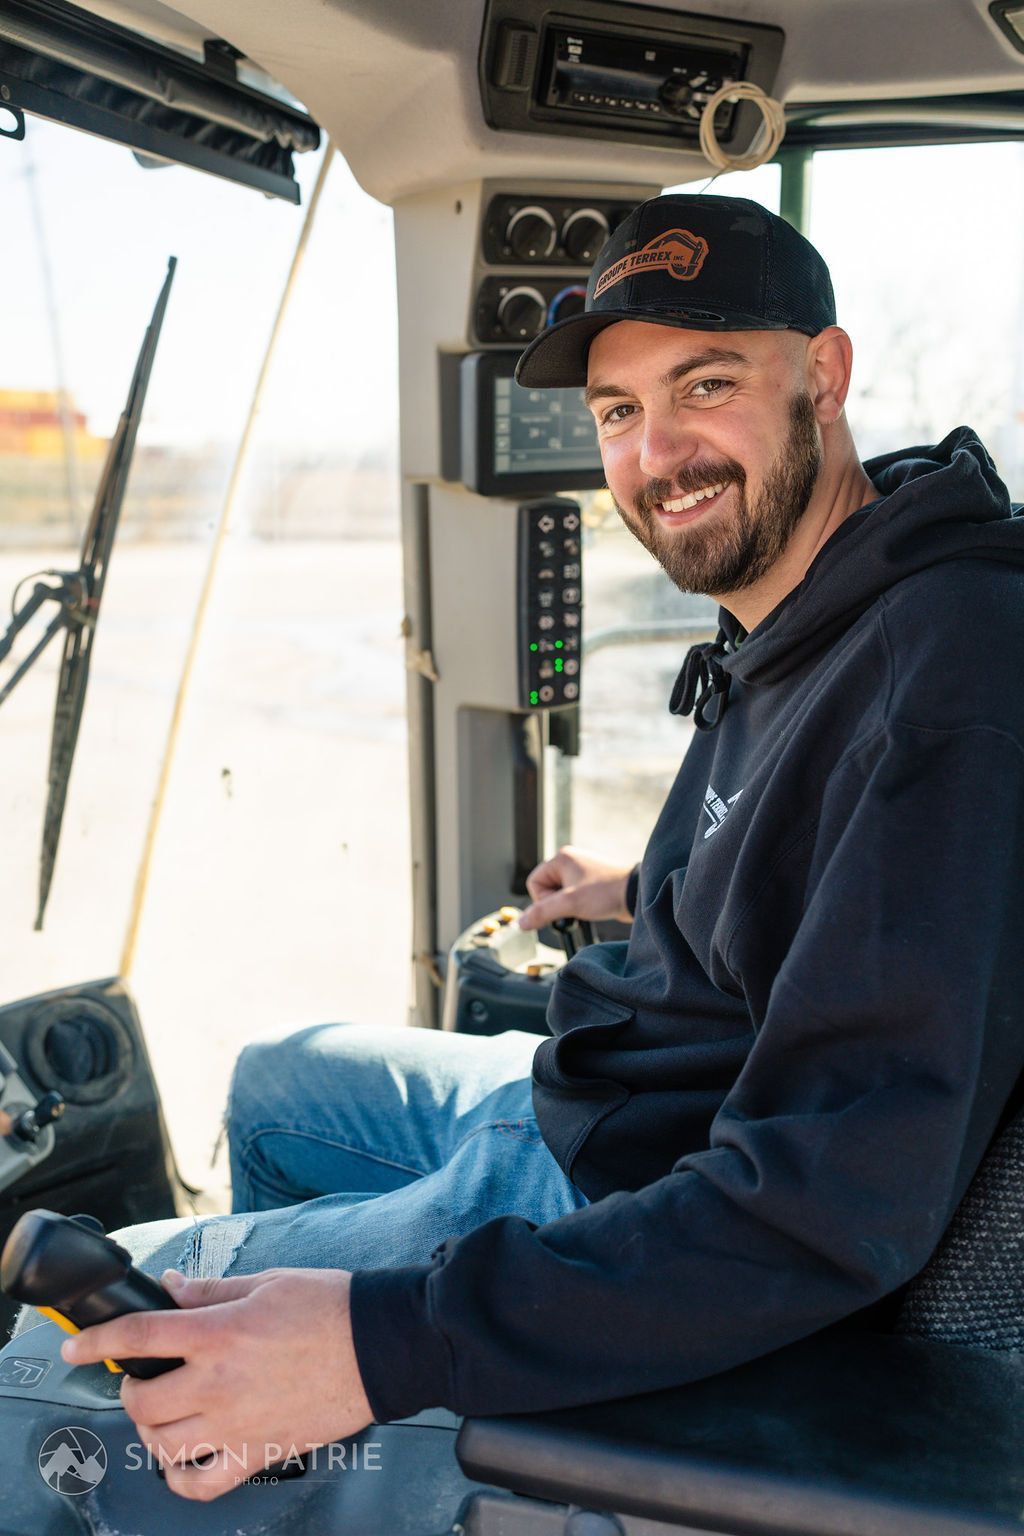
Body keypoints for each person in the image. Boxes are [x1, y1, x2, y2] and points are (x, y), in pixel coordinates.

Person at [50, 194, 1024, 1500]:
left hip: (636, 1198)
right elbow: (832, 866)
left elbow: (827, 1201)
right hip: (591, 1085)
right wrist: (641, 890)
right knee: (278, 1077)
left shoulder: (946, 664)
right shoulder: (817, 591)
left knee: (61, 1351)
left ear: (825, 375)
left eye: (707, 382)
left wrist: (383, 1342)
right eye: (619, 412)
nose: (660, 452)